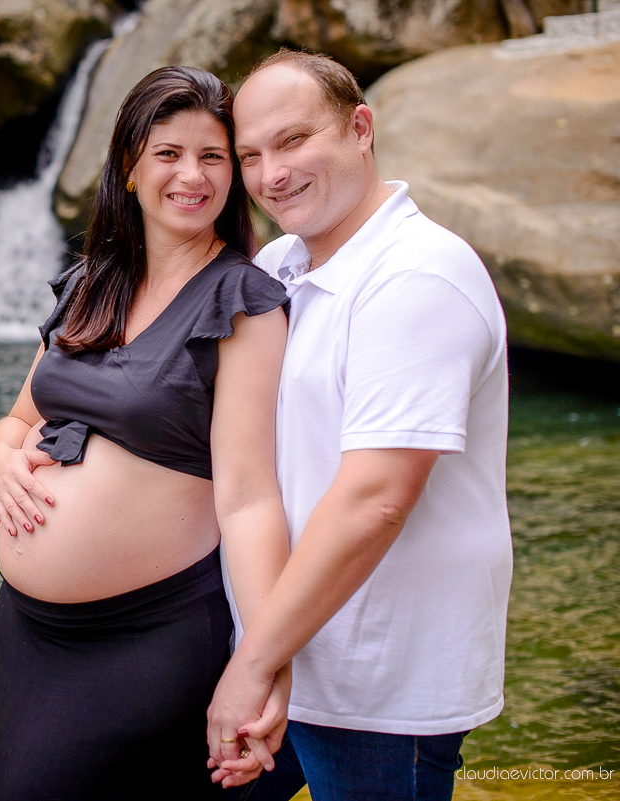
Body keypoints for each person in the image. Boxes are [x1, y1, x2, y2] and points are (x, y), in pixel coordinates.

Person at [207, 50, 513, 801]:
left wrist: (250, 662)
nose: (272, 174)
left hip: (382, 680)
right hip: (299, 653)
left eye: (293, 141)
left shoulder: (417, 275)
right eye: (251, 155)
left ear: (361, 127)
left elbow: (376, 497)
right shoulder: (282, 264)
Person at [0, 66, 293, 800]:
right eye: (168, 153)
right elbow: (21, 418)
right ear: (128, 166)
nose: (192, 175)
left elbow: (248, 500)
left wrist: (264, 660)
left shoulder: (243, 303)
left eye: (213, 156)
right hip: (28, 631)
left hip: (147, 633)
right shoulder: (90, 282)